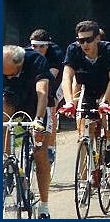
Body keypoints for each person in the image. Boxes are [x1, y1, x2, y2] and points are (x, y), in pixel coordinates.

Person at [59, 20, 110, 167]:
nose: (84, 45)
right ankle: (85, 180)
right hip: (89, 85)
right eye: (80, 41)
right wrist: (69, 102)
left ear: (97, 38)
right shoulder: (73, 50)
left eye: (88, 40)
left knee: (107, 108)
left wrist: (105, 102)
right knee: (84, 128)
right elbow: (67, 77)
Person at [3, 45, 54, 219]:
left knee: (40, 153)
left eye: (11, 75)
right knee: (4, 113)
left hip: (36, 105)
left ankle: (44, 205)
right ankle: (8, 162)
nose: (8, 77)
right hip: (12, 100)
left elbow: (42, 92)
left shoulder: (36, 61)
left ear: (20, 64)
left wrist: (38, 121)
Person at [28, 29, 64, 166]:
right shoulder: (27, 53)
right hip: (38, 80)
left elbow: (50, 78)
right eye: (34, 46)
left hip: (56, 83)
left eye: (41, 46)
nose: (37, 49)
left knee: (51, 106)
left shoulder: (55, 54)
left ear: (47, 45)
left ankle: (50, 147)